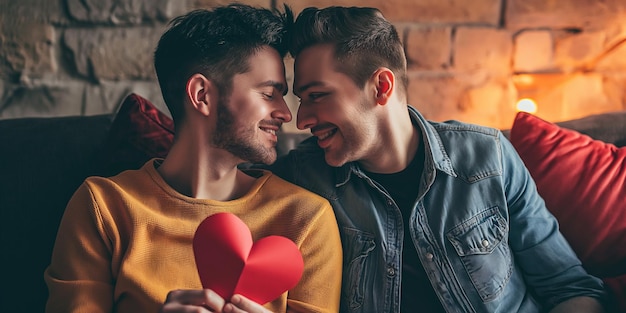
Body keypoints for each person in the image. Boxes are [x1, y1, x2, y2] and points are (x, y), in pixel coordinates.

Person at [263, 6, 607, 313]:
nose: (301, 119)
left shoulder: (489, 157)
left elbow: (571, 289)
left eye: (317, 96)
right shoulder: (302, 177)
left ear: (381, 87)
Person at [43, 4, 342, 313]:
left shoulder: (306, 220)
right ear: (202, 94)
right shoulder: (103, 207)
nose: (285, 113)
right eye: (268, 94)